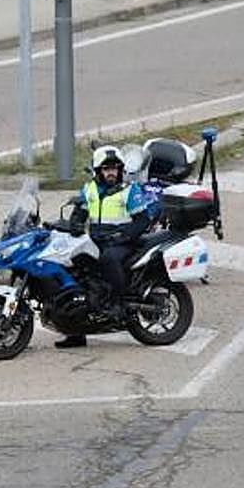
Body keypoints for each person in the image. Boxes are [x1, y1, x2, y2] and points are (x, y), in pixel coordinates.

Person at [61, 145, 152, 347]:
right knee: (75, 269)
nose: (111, 172)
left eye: (115, 168)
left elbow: (143, 220)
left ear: (121, 170)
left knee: (108, 260)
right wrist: (74, 224)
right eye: (106, 169)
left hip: (123, 243)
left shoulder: (129, 190)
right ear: (98, 171)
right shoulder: (89, 189)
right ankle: (75, 330)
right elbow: (80, 213)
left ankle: (118, 305)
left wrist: (125, 235)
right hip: (96, 241)